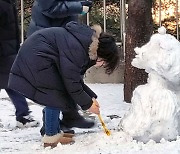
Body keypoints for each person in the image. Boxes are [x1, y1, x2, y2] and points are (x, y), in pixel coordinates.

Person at [8, 21, 120, 147]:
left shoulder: (85, 44)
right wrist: (88, 104)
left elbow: (74, 79)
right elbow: (71, 82)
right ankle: (51, 137)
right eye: (103, 62)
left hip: (38, 56)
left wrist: (90, 97)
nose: (100, 65)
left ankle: (51, 130)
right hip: (37, 59)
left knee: (56, 94)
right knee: (55, 95)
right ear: (100, 53)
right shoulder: (78, 49)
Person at [26, 0, 95, 134]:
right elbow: (50, 8)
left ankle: (67, 118)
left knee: (64, 81)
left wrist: (80, 5)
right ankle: (51, 130)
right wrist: (79, 7)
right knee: (55, 86)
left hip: (56, 39)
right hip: (46, 42)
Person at [0, 0, 39, 128]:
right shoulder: (4, 4)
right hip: (5, 51)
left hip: (8, 50)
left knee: (12, 83)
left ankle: (23, 115)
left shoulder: (7, 3)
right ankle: (23, 115)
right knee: (12, 83)